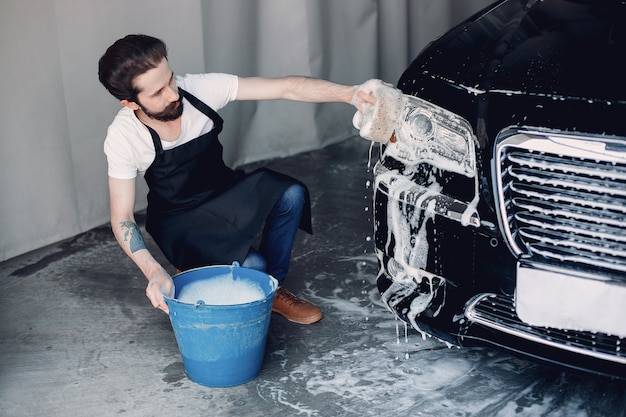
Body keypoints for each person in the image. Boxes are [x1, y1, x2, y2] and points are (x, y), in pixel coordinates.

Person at [98, 34, 387, 324]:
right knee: (253, 264)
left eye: (171, 80)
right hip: (179, 219)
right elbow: (122, 217)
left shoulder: (198, 90)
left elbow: (286, 88)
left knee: (291, 194)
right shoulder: (124, 137)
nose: (173, 94)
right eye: (157, 93)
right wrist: (153, 270)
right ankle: (213, 270)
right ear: (130, 103)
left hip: (223, 191)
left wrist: (350, 94)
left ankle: (272, 289)